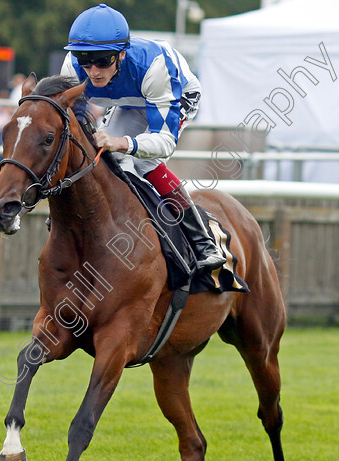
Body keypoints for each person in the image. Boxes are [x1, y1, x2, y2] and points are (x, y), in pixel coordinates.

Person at [61, 3, 224, 273]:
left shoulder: (154, 66)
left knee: (145, 161)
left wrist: (125, 142)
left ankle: (202, 240)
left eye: (103, 61)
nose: (93, 71)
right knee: (105, 156)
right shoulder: (71, 69)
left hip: (173, 94)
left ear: (122, 55)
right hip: (129, 98)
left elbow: (163, 141)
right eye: (84, 59)